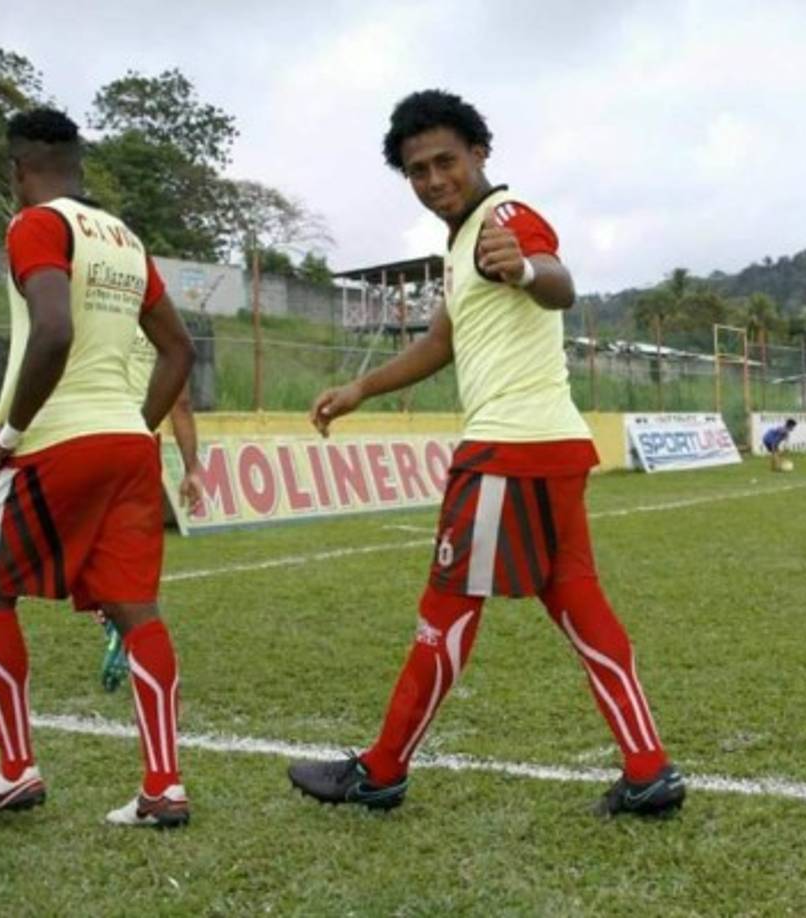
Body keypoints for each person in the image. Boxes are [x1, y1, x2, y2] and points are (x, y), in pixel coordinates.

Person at [288, 90, 685, 818]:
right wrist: (361, 389)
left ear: (480, 154)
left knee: (444, 612)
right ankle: (648, 767)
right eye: (417, 170)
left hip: (510, 451)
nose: (435, 179)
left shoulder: (504, 218)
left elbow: (558, 282)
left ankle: (380, 770)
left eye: (447, 161)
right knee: (577, 600)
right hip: (551, 445)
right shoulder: (465, 236)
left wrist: (530, 272)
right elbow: (442, 341)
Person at [0, 109, 195, 828]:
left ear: (18, 170)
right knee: (137, 611)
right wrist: (135, 425)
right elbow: (178, 352)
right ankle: (163, 785)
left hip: (56, 441)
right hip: (130, 448)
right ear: (79, 163)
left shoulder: (35, 225)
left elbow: (54, 330)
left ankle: (15, 772)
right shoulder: (126, 239)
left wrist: (8, 432)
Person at [96, 328, 203, 693]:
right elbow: (181, 405)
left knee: (70, 552)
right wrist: (191, 469)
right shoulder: (164, 323)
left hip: (86, 434)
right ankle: (124, 623)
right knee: (126, 559)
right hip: (140, 446)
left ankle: (109, 616)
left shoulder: (92, 305)